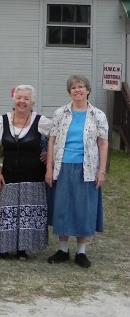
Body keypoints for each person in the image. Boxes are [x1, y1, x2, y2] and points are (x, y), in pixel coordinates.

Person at [45, 74, 108, 269]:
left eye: (81, 86)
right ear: (69, 91)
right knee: (62, 207)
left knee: (83, 208)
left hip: (87, 168)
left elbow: (103, 143)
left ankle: (81, 252)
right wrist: (49, 168)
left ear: (88, 90)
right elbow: (52, 140)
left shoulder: (97, 115)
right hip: (63, 166)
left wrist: (102, 171)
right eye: (73, 87)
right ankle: (63, 249)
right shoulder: (60, 113)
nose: (77, 90)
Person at [0, 85, 51, 260]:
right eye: (19, 98)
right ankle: (2, 248)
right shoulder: (3, 121)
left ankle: (22, 249)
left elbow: (57, 139)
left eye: (26, 99)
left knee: (27, 213)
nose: (22, 102)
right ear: (14, 100)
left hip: (33, 175)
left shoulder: (42, 121)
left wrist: (49, 154)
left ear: (32, 103)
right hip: (9, 173)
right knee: (6, 211)